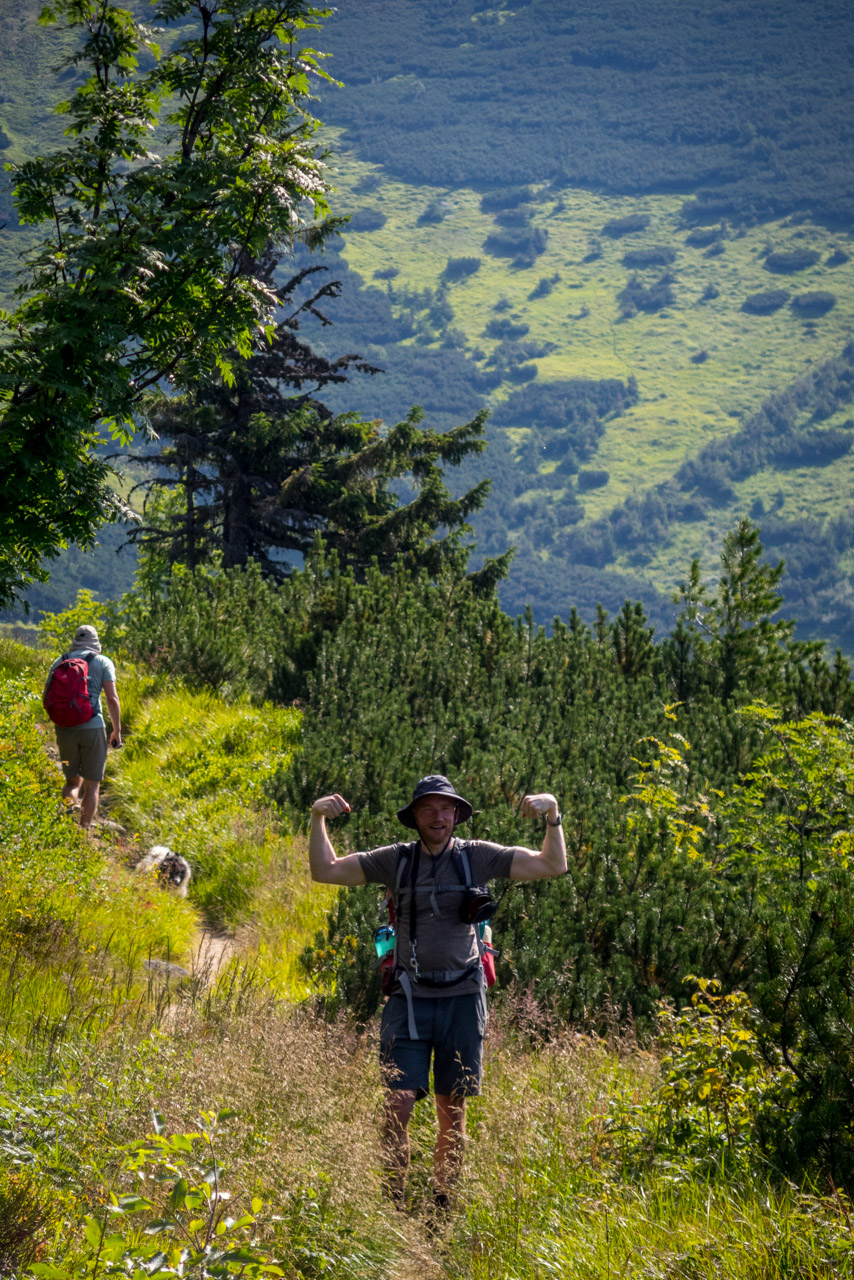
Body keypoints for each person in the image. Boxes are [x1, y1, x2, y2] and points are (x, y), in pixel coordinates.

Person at [309, 773, 566, 1212]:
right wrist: (317, 818)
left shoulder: (478, 857)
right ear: (415, 817)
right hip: (408, 999)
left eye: (446, 808)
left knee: (453, 1111)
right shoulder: (397, 860)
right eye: (428, 808)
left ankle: (441, 1208)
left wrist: (553, 815)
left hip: (463, 1000)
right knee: (397, 1105)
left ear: (457, 815)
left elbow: (551, 865)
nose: (438, 816)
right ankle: (394, 1207)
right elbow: (325, 871)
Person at [44, 624, 122, 829]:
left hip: (65, 729)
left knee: (72, 783)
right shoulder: (103, 662)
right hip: (93, 728)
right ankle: (83, 832)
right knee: (92, 785)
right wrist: (117, 731)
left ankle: (65, 828)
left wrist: (62, 722)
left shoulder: (59, 662)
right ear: (96, 642)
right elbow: (112, 699)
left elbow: (47, 697)